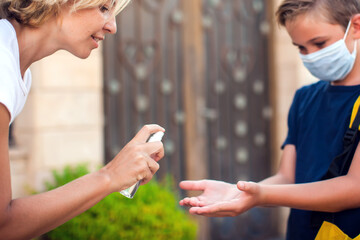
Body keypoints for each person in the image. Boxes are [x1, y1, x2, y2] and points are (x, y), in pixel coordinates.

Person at [179, 0, 360, 239]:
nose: (311, 57)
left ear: (356, 26)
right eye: (301, 48)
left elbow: (354, 188)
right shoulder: (304, 98)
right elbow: (288, 176)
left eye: (319, 43)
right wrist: (241, 192)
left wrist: (261, 195)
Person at [0, 0, 165, 239]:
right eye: (103, 8)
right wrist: (110, 176)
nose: (113, 27)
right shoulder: (3, 67)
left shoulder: (17, 71)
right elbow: (3, 226)